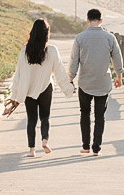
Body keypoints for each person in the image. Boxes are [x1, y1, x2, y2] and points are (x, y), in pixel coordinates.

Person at [5, 19, 74, 157]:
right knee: (45, 117)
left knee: (31, 119)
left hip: (28, 90)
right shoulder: (52, 50)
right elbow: (60, 73)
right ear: (46, 34)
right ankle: (44, 141)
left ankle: (32, 150)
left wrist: (14, 96)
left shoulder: (25, 50)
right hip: (46, 88)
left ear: (33, 32)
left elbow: (18, 74)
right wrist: (69, 88)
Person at [68, 8, 124, 156]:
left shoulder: (80, 38)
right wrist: (119, 76)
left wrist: (70, 78)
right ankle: (96, 149)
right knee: (100, 116)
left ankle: (85, 146)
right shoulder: (109, 37)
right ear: (101, 20)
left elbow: (74, 60)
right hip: (103, 83)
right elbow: (117, 58)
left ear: (87, 20)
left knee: (84, 113)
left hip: (85, 82)